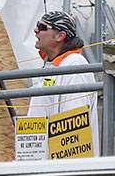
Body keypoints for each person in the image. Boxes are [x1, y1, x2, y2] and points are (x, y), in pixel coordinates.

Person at [27, 11, 99, 153]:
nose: (36, 30)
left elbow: (73, 126)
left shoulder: (75, 66)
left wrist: (63, 170)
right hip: (44, 164)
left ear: (60, 36)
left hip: (64, 168)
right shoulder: (52, 66)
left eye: (42, 27)